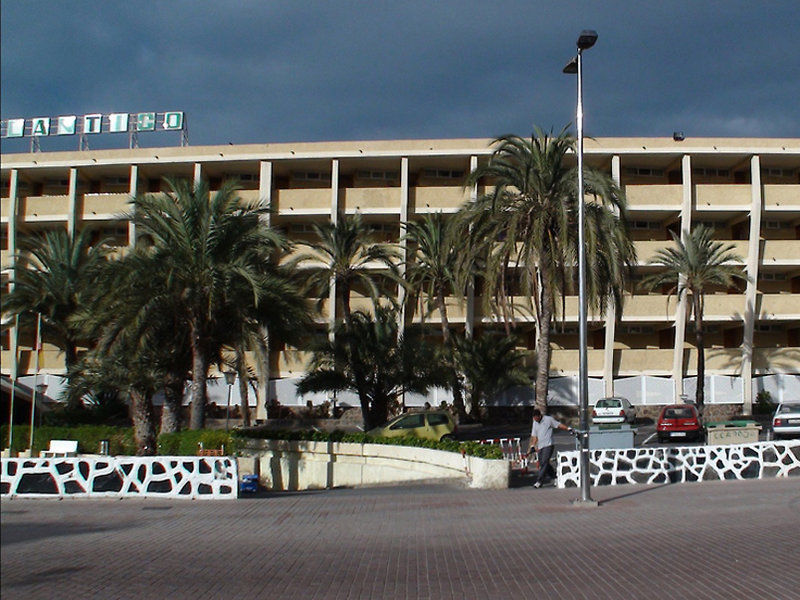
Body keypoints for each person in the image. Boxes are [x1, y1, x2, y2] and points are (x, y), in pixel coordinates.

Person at [528, 408, 572, 488]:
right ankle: (555, 477)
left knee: (544, 462)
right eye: (534, 418)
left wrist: (568, 428)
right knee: (543, 463)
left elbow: (558, 425)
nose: (535, 420)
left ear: (539, 416)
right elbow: (534, 435)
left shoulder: (548, 420)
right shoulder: (535, 423)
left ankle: (539, 481)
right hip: (540, 446)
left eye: (536, 418)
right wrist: (532, 446)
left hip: (548, 445)